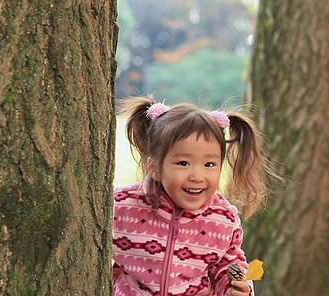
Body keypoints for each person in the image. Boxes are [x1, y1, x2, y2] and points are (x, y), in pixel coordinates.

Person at [112, 96, 276, 296]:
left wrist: (237, 287)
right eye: (183, 163)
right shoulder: (122, 206)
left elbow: (228, 264)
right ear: (154, 167)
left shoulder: (222, 218)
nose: (197, 177)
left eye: (209, 165)